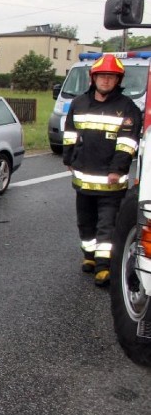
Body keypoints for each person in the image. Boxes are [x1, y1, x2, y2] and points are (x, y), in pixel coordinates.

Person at [63, 55, 142, 287]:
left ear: (118, 80)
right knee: (85, 223)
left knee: (106, 225)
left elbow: (127, 143)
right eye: (102, 76)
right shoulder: (79, 103)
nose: (106, 81)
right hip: (83, 181)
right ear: (93, 78)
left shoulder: (127, 107)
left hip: (111, 183)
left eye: (111, 77)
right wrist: (69, 158)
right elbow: (70, 134)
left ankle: (103, 267)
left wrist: (117, 170)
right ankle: (89, 257)